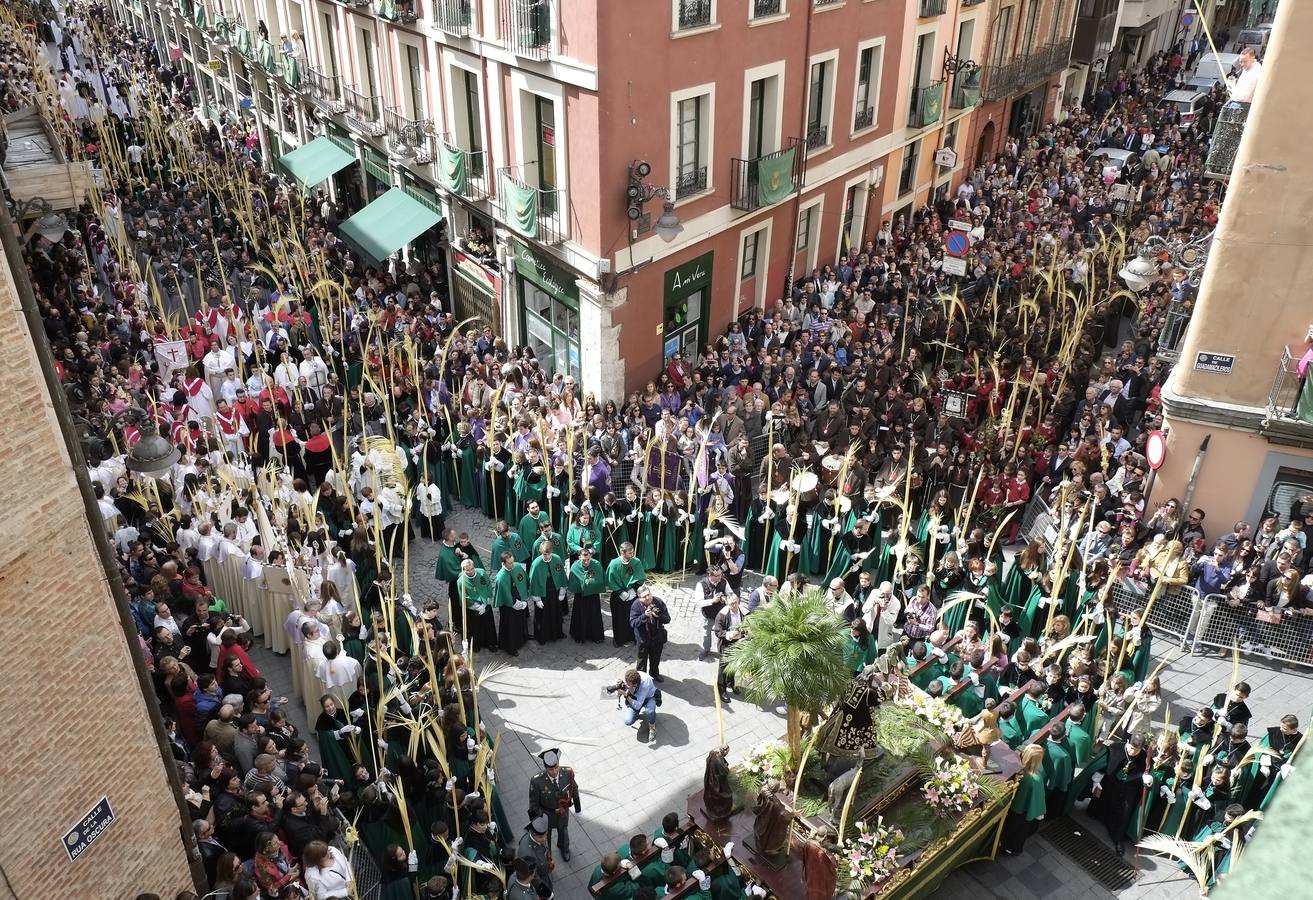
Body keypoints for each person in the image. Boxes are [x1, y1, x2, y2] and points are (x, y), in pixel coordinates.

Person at [528, 748, 581, 863]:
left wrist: (578, 808)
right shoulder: (537, 781)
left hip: (562, 812)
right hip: (546, 813)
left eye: (556, 767)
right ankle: (548, 853)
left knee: (563, 831)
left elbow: (574, 788)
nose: (554, 771)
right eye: (550, 769)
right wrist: (534, 822)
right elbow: (533, 802)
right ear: (546, 768)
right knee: (546, 836)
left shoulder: (567, 773)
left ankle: (564, 848)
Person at [631, 585, 671, 682]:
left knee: (655, 658)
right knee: (642, 661)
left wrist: (658, 616)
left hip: (657, 637)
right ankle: (641, 678)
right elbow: (633, 623)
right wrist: (644, 616)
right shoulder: (636, 605)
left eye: (649, 595)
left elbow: (667, 619)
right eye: (644, 597)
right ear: (639, 598)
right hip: (643, 639)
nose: (648, 598)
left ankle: (654, 674)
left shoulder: (658, 602)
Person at [515, 816, 553, 893]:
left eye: (546, 834)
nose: (545, 838)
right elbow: (532, 875)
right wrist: (543, 890)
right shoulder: (526, 853)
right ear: (533, 834)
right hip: (540, 877)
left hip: (544, 871)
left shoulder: (540, 837)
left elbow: (544, 848)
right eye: (541, 837)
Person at [620, 668, 659, 743]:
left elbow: (638, 705)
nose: (627, 685)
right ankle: (635, 714)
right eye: (626, 683)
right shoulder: (630, 677)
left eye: (629, 685)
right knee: (628, 721)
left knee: (650, 711)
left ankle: (652, 727)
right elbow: (625, 687)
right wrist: (621, 689)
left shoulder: (645, 684)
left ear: (635, 684)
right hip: (636, 697)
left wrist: (626, 695)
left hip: (649, 697)